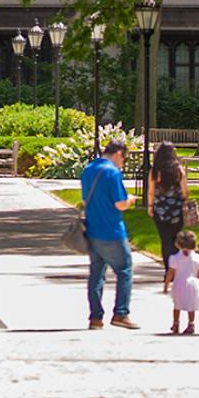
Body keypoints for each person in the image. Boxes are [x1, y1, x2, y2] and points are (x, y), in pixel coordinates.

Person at [81, 140, 139, 330]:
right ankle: (121, 313)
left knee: (96, 274)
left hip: (92, 230)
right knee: (125, 270)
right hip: (112, 230)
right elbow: (120, 203)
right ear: (118, 154)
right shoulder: (112, 172)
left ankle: (95, 317)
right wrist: (130, 200)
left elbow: (83, 198)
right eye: (124, 158)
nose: (123, 163)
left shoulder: (88, 169)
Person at [147, 142, 189, 275]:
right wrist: (184, 200)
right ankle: (176, 269)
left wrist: (150, 206)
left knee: (165, 240)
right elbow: (185, 191)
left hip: (160, 210)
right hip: (177, 209)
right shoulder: (179, 170)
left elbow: (151, 191)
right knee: (176, 239)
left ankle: (168, 270)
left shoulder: (155, 171)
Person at [164, 230, 199, 335]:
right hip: (193, 283)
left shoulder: (174, 258)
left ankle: (176, 323)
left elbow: (170, 273)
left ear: (178, 244)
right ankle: (191, 324)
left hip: (179, 283)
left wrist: (166, 285)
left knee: (177, 305)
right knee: (191, 306)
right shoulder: (198, 258)